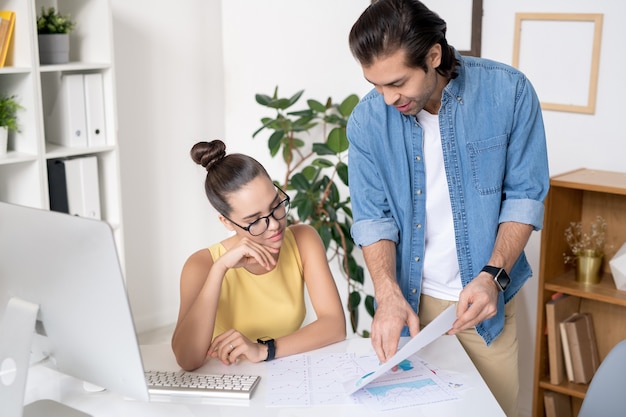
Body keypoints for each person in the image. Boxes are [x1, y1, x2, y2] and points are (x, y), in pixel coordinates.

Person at [346, 1, 549, 415]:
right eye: (376, 84)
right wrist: (386, 294)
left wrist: (492, 276)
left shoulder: (509, 92)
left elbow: (524, 196)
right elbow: (373, 217)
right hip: (408, 308)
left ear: (433, 56)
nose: (386, 99)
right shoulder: (366, 121)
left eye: (397, 83)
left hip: (485, 306)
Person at [172, 140, 346, 371]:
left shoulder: (304, 240)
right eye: (254, 221)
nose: (274, 225)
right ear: (226, 222)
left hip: (285, 376)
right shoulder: (201, 265)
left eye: (276, 206)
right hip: (229, 382)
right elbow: (188, 360)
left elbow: (335, 325)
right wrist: (219, 270)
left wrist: (264, 349)